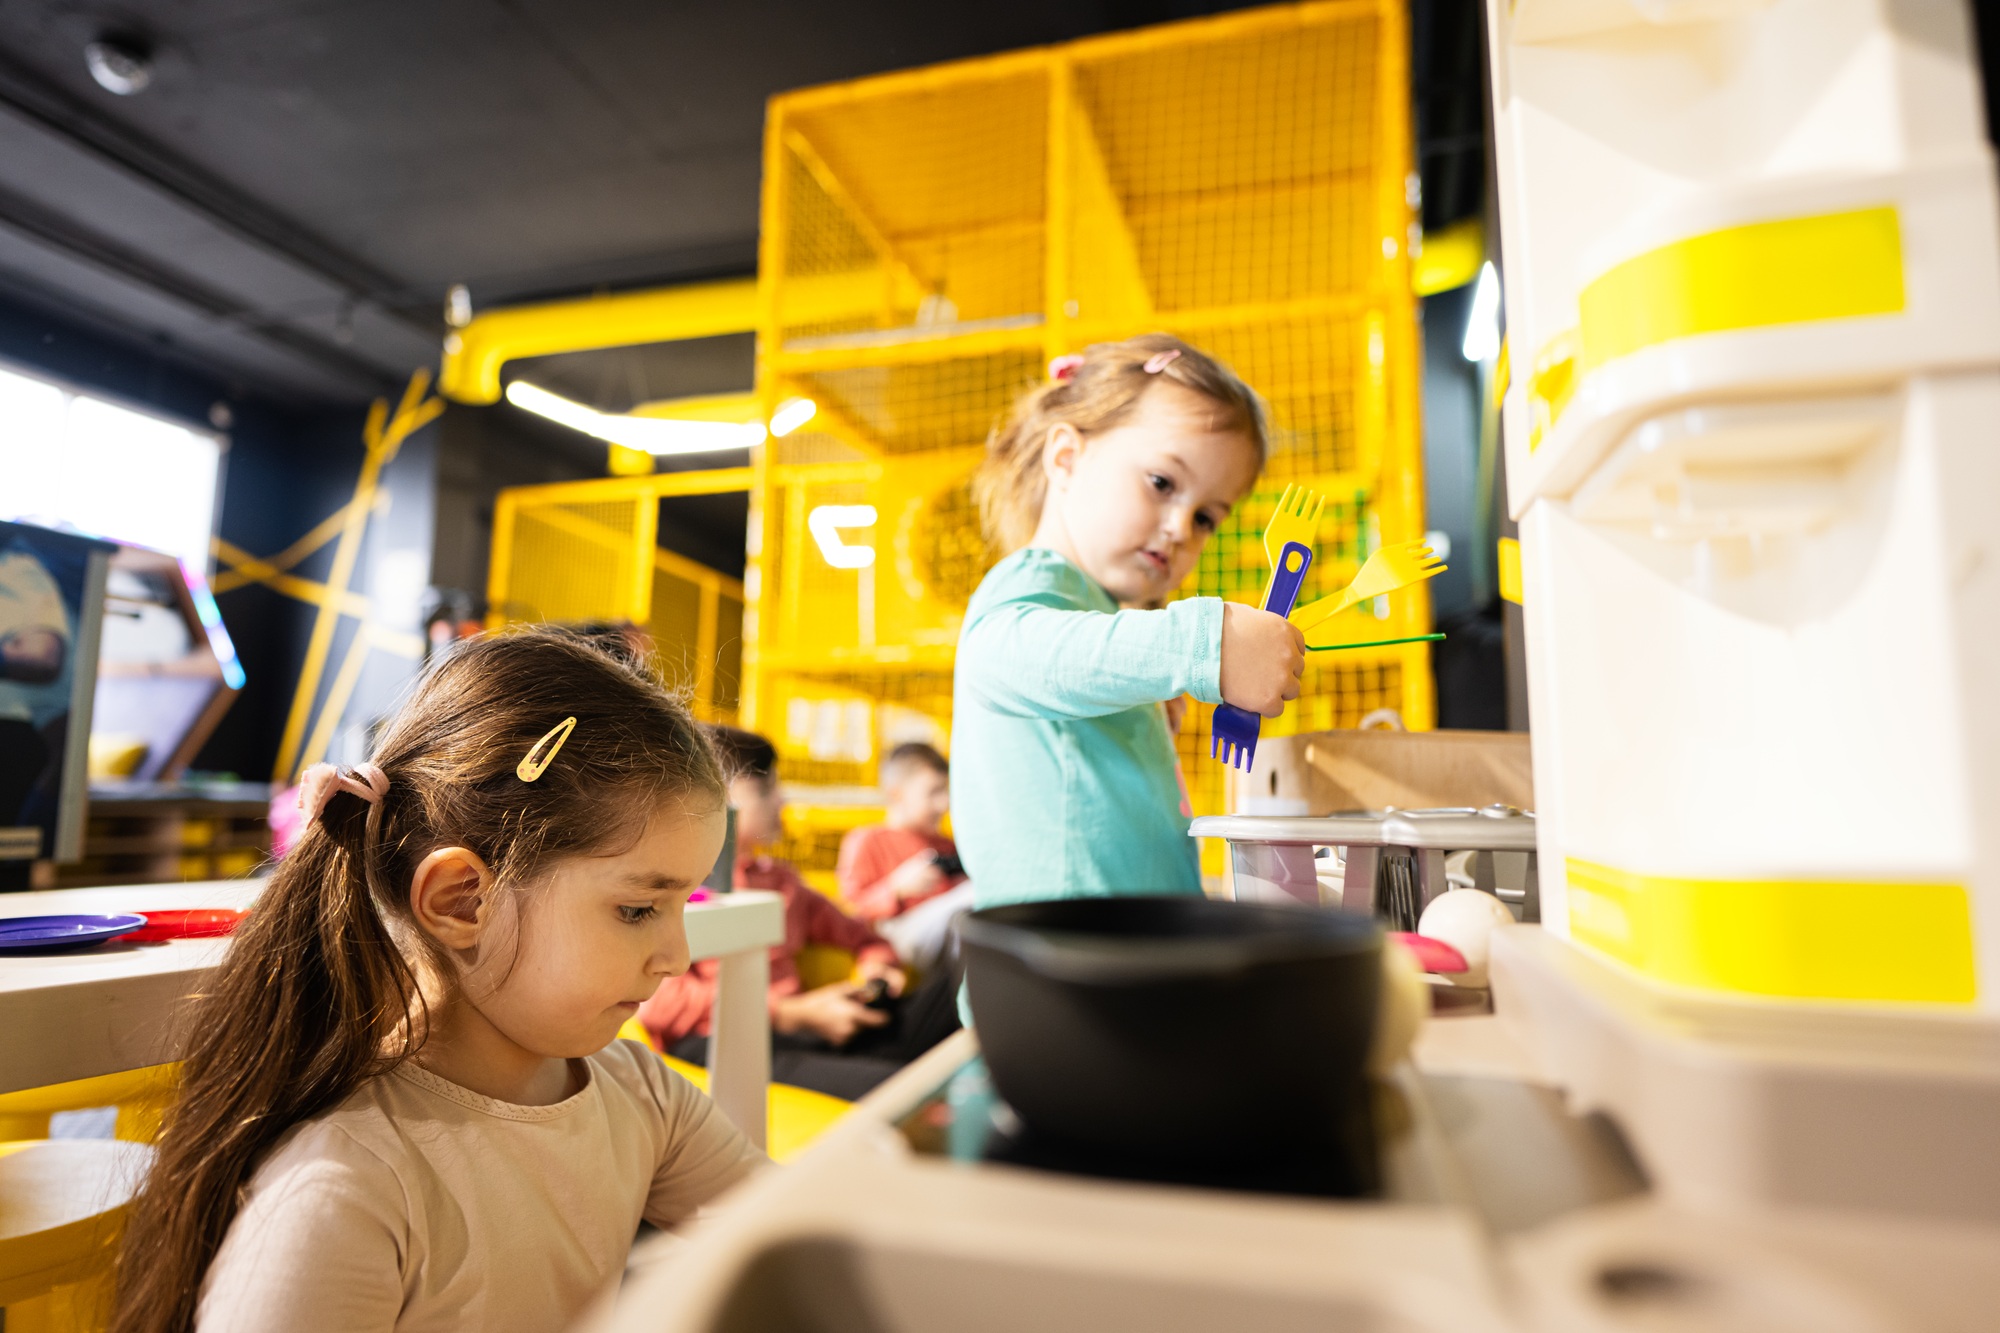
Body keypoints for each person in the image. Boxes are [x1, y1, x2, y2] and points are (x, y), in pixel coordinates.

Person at [111, 630, 763, 1333]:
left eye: (681, 903)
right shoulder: (345, 1187)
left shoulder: (640, 1094)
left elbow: (798, 1232)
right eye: (639, 908)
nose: (677, 954)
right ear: (460, 900)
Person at [951, 334, 1300, 912]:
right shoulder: (1034, 579)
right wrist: (1206, 643)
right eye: (1161, 482)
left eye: (1207, 516)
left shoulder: (1101, 617)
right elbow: (1006, 652)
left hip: (1126, 959)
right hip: (1064, 977)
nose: (1179, 527)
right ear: (1066, 457)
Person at [638, 727, 961, 1102]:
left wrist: (877, 972)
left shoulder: (781, 881)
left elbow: (864, 935)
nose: (782, 801)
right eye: (769, 789)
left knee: (960, 985)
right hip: (726, 1042)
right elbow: (660, 1003)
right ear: (721, 797)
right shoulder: (675, 886)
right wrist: (790, 1012)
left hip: (811, 1030)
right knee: (915, 1089)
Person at [835, 742, 974, 970]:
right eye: (933, 792)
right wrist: (896, 888)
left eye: (945, 791)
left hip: (943, 938)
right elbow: (849, 912)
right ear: (896, 794)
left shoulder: (945, 843)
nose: (944, 804)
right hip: (892, 938)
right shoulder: (867, 840)